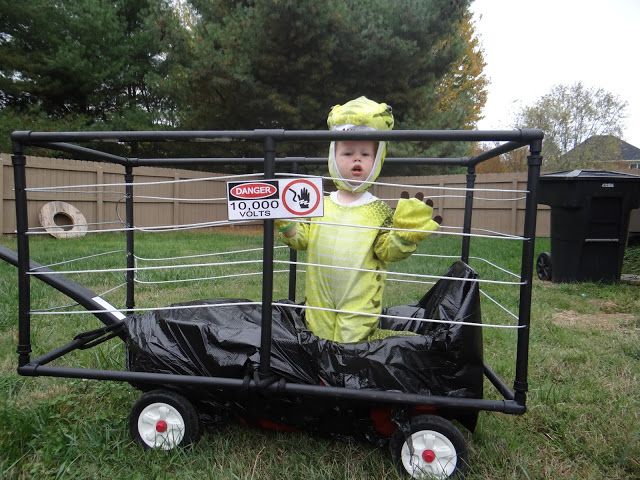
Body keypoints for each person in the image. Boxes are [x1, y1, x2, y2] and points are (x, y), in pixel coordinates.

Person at [276, 96, 441, 343]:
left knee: (350, 350)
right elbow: (302, 240)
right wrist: (287, 224)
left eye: (365, 153)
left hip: (360, 301)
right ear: (333, 156)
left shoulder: (379, 211)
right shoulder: (319, 203)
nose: (357, 159)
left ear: (378, 159)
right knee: (318, 343)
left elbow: (385, 251)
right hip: (318, 298)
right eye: (347, 153)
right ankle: (319, 381)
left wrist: (404, 235)